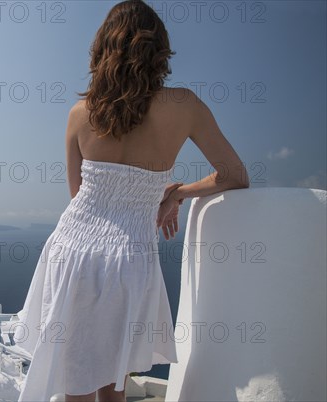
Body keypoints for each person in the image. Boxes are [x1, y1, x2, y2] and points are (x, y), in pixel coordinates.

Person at [13, 1, 250, 401]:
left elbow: (78, 195)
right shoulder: (184, 106)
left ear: (102, 48)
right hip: (129, 256)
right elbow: (235, 176)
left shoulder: (79, 113)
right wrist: (176, 192)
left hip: (71, 251)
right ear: (159, 50)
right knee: (113, 379)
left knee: (75, 382)